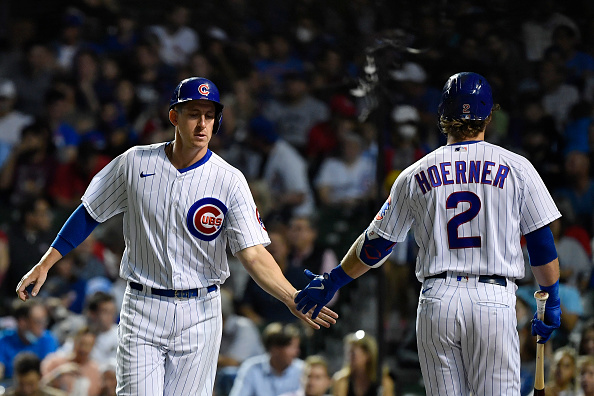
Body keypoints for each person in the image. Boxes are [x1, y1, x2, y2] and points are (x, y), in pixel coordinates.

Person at [15, 76, 337, 396]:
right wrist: (46, 263)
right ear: (174, 116)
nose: (202, 124)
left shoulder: (230, 180)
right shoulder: (134, 162)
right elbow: (89, 212)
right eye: (194, 113)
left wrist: (290, 295)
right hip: (143, 305)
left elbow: (253, 253)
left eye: (209, 115)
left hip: (200, 312)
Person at [294, 72, 563, 395]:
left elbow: (378, 244)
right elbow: (541, 246)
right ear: (490, 115)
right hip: (493, 297)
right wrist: (551, 301)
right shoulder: (517, 167)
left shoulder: (415, 173)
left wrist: (334, 278)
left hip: (438, 300)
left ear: (442, 117)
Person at [229, 322, 304, 396]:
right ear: (275, 349)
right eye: (293, 347)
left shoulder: (303, 370)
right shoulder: (251, 368)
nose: (297, 352)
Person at [0, 301, 58, 380]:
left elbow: (49, 373)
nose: (43, 326)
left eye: (45, 321)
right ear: (22, 322)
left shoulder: (48, 340)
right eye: (38, 322)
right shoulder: (3, 341)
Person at [332, 331, 394, 396]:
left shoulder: (383, 381)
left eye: (353, 354)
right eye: (348, 353)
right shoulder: (341, 380)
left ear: (367, 355)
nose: (349, 358)